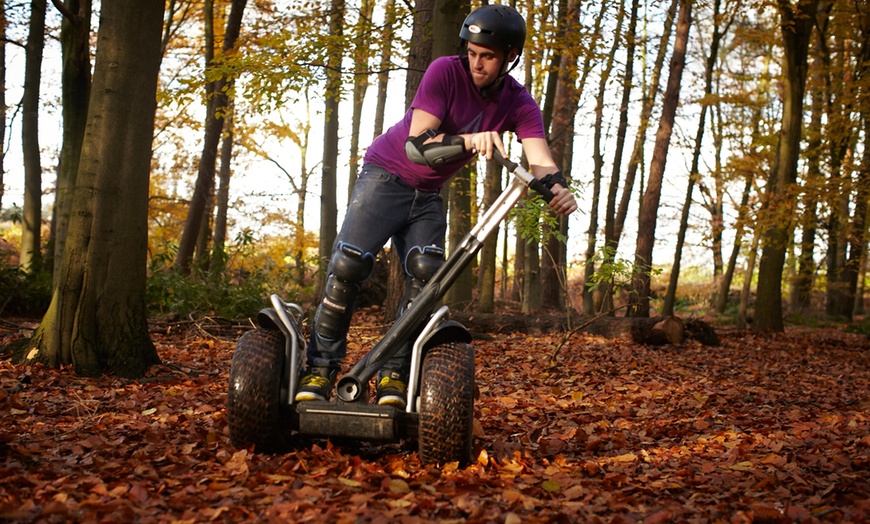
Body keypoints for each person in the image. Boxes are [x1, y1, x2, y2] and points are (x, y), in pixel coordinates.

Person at [295, 4, 578, 408]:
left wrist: (559, 190)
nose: (477, 63)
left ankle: (394, 377)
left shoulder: (519, 102)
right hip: (385, 175)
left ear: (509, 58)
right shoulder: (445, 70)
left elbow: (542, 161)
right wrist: (469, 139)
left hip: (427, 196)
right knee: (348, 266)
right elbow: (417, 145)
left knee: (426, 281)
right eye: (473, 52)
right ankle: (319, 370)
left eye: (489, 56)